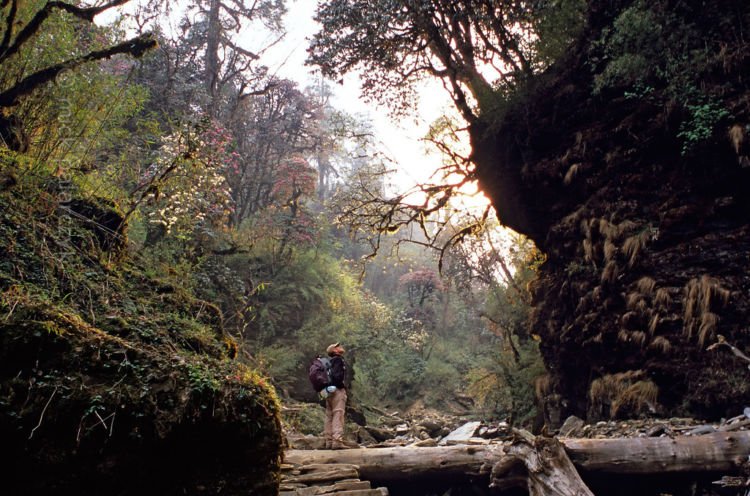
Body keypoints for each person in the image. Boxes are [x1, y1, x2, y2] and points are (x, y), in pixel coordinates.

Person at [323, 342, 356, 449]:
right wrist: (341, 387)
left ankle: (328, 441)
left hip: (327, 390)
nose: (341, 347)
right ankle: (337, 441)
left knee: (329, 415)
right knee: (338, 414)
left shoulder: (328, 362)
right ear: (334, 351)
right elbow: (337, 377)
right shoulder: (338, 360)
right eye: (338, 346)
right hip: (337, 390)